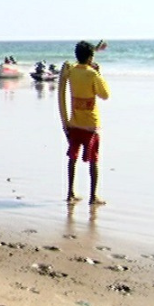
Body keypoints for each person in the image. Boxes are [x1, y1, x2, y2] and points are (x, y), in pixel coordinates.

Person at [58, 40, 110, 206]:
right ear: (90, 57)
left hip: (74, 123)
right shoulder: (92, 74)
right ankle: (93, 196)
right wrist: (98, 73)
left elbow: (67, 72)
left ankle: (70, 192)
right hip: (90, 125)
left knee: (72, 158)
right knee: (93, 160)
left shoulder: (72, 71)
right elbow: (105, 94)